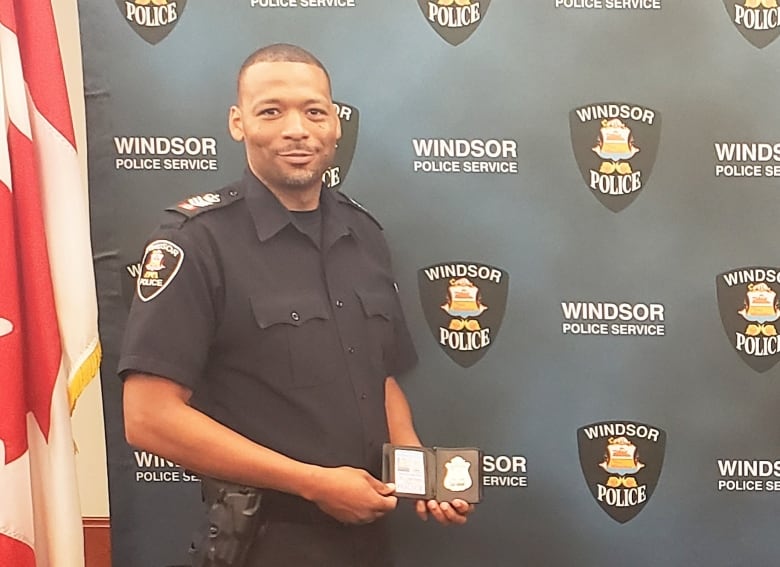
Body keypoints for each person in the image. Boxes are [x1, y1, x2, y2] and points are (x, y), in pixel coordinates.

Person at [119, 43, 473, 567]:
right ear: (238, 124)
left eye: (314, 111)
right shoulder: (196, 242)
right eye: (271, 111)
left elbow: (380, 377)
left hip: (368, 540)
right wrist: (313, 485)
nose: (297, 129)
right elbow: (148, 419)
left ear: (335, 125)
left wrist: (419, 472)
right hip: (262, 540)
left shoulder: (365, 234)